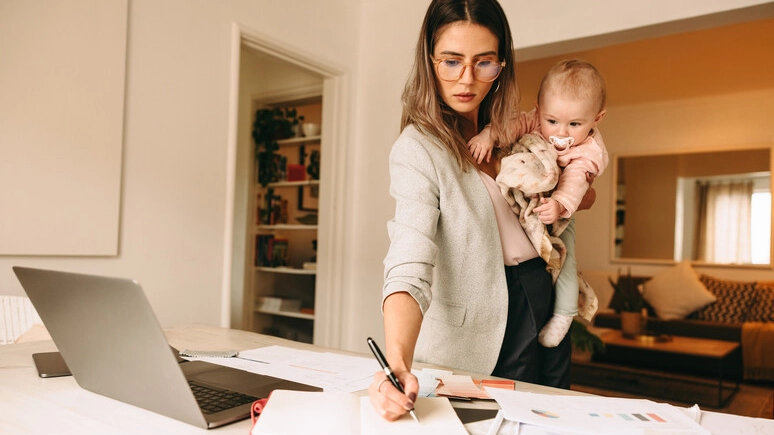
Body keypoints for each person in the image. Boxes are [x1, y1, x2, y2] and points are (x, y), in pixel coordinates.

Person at [369, 0, 575, 422]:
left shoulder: (511, 135)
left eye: (484, 64)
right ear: (430, 61)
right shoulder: (418, 148)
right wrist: (397, 363)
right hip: (481, 317)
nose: (467, 80)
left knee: (553, 420)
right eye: (451, 62)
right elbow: (410, 257)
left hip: (540, 291)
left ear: (501, 65)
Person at [467, 59, 608, 348]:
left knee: (566, 262)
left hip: (561, 211)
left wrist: (559, 204)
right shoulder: (535, 119)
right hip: (526, 221)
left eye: (575, 124)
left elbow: (577, 181)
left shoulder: (589, 150)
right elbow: (513, 125)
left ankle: (566, 311)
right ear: (539, 109)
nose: (561, 132)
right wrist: (489, 135)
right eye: (552, 121)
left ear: (597, 119)